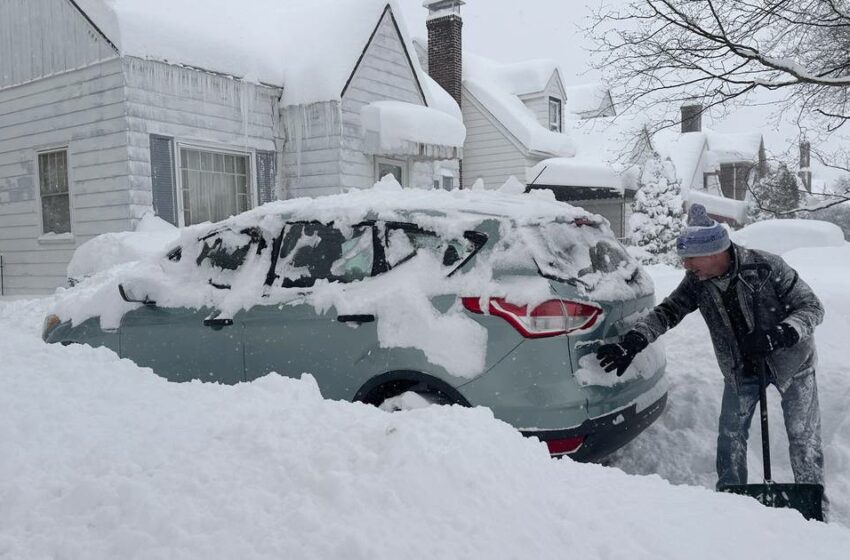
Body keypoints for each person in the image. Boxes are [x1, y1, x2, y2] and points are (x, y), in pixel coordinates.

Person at [596, 204, 825, 494]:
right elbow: (668, 311)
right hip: (741, 367)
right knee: (731, 438)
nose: (686, 266)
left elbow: (812, 307)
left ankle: (812, 502)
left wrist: (780, 334)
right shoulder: (698, 282)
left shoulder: (767, 267)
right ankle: (730, 497)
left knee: (803, 437)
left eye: (691, 259)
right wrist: (634, 341)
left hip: (792, 361)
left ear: (715, 252)